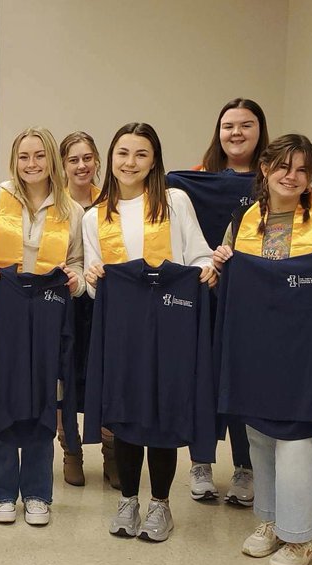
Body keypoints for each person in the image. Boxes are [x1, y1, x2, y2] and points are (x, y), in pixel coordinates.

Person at [212, 134, 312, 565]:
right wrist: (220, 263)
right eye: (283, 166)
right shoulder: (243, 220)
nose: (291, 176)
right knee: (260, 436)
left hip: (306, 349)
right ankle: (270, 520)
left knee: (297, 439)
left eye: (302, 169)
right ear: (264, 168)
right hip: (255, 346)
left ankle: (304, 535)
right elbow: (222, 277)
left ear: (311, 177)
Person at [83, 122, 217, 542]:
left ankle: (160, 503)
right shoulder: (94, 216)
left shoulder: (174, 201)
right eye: (123, 153)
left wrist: (207, 270)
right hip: (122, 328)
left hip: (171, 324)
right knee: (125, 413)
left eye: (141, 154)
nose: (130, 162)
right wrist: (92, 276)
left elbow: (199, 254)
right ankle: (128, 500)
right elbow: (91, 285)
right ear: (112, 158)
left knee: (162, 412)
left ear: (154, 159)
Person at [0, 127, 84, 525]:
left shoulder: (71, 211)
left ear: (51, 159)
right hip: (5, 310)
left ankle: (37, 492)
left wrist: (76, 279)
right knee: (2, 395)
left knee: (41, 398)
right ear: (13, 160)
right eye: (23, 157)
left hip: (49, 310)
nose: (31, 165)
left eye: (38, 156)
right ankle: (1, 491)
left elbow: (81, 264)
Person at [175, 98, 271, 507]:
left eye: (246, 126)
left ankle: (246, 468)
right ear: (218, 132)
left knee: (242, 380)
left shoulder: (276, 181)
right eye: (228, 126)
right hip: (204, 292)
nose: (236, 133)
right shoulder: (195, 181)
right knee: (203, 377)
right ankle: (200, 464)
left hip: (254, 300)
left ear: (260, 131)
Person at [55, 131, 116, 488]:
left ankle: (112, 452)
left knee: (104, 378)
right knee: (64, 379)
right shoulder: (55, 205)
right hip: (63, 303)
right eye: (73, 159)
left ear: (97, 162)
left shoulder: (110, 204)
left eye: (88, 158)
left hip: (102, 304)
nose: (82, 165)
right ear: (63, 165)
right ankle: (71, 450)